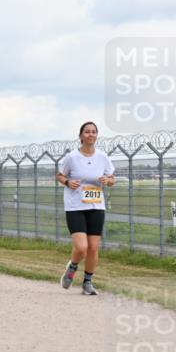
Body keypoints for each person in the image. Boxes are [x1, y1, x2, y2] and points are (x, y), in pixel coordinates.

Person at [56, 121, 115, 295]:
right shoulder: (72, 157)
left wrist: (107, 181)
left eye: (94, 132)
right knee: (81, 247)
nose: (91, 134)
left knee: (93, 247)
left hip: (96, 206)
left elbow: (112, 179)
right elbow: (59, 175)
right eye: (87, 132)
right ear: (81, 136)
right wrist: (68, 182)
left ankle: (87, 283)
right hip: (75, 207)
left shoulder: (103, 157)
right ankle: (72, 267)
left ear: (97, 136)